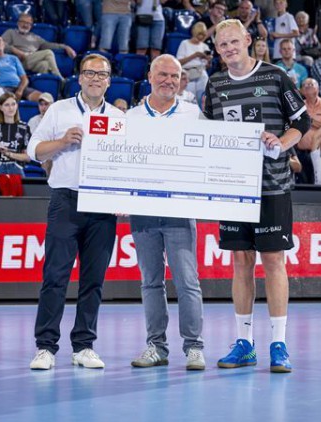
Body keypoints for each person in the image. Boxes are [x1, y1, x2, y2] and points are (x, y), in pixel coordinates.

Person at [204, 19, 310, 373]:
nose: (229, 49)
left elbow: (302, 123)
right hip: (232, 188)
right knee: (240, 262)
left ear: (248, 40)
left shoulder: (276, 76)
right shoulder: (215, 83)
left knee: (274, 261)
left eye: (235, 42)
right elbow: (207, 132)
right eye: (223, 45)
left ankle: (279, 344)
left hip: (272, 185)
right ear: (217, 50)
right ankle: (245, 343)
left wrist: (282, 143)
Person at [27, 54, 124, 370]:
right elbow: (33, 150)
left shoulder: (119, 118)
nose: (96, 78)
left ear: (109, 80)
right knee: (55, 275)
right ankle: (46, 346)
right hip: (65, 200)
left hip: (102, 205)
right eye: (90, 73)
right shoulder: (59, 110)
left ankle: (84, 345)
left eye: (102, 74)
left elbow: (128, 164)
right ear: (80, 78)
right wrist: (61, 142)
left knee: (93, 279)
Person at [126, 54, 205, 371]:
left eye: (175, 76)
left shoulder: (193, 114)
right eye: (163, 75)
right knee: (150, 282)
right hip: (143, 212)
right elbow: (121, 163)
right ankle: (156, 346)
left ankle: (194, 347)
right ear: (150, 76)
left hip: (179, 209)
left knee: (187, 281)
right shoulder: (130, 117)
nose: (169, 81)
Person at [2, 13, 76, 79]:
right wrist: (14, 50)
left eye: (28, 23)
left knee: (44, 65)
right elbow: (1, 44)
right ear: (18, 23)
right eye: (23, 22)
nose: (25, 25)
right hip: (18, 61)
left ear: (31, 26)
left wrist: (65, 47)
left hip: (31, 60)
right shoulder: (11, 32)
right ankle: (59, 78)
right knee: (48, 53)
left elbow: (49, 45)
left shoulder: (35, 37)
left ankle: (42, 90)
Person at [0, 92, 31, 177]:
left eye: (13, 104)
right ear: (1, 107)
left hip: (17, 167)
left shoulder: (24, 127)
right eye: (7, 105)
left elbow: (27, 157)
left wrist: (9, 154)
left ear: (17, 106)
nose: (11, 108)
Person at [177, 22, 212, 103]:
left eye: (203, 35)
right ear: (194, 34)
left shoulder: (205, 46)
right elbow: (178, 62)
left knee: (203, 98)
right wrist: (195, 55)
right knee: (190, 99)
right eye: (199, 35)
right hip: (187, 73)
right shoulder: (184, 43)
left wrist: (208, 61)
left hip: (201, 73)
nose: (201, 38)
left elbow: (207, 66)